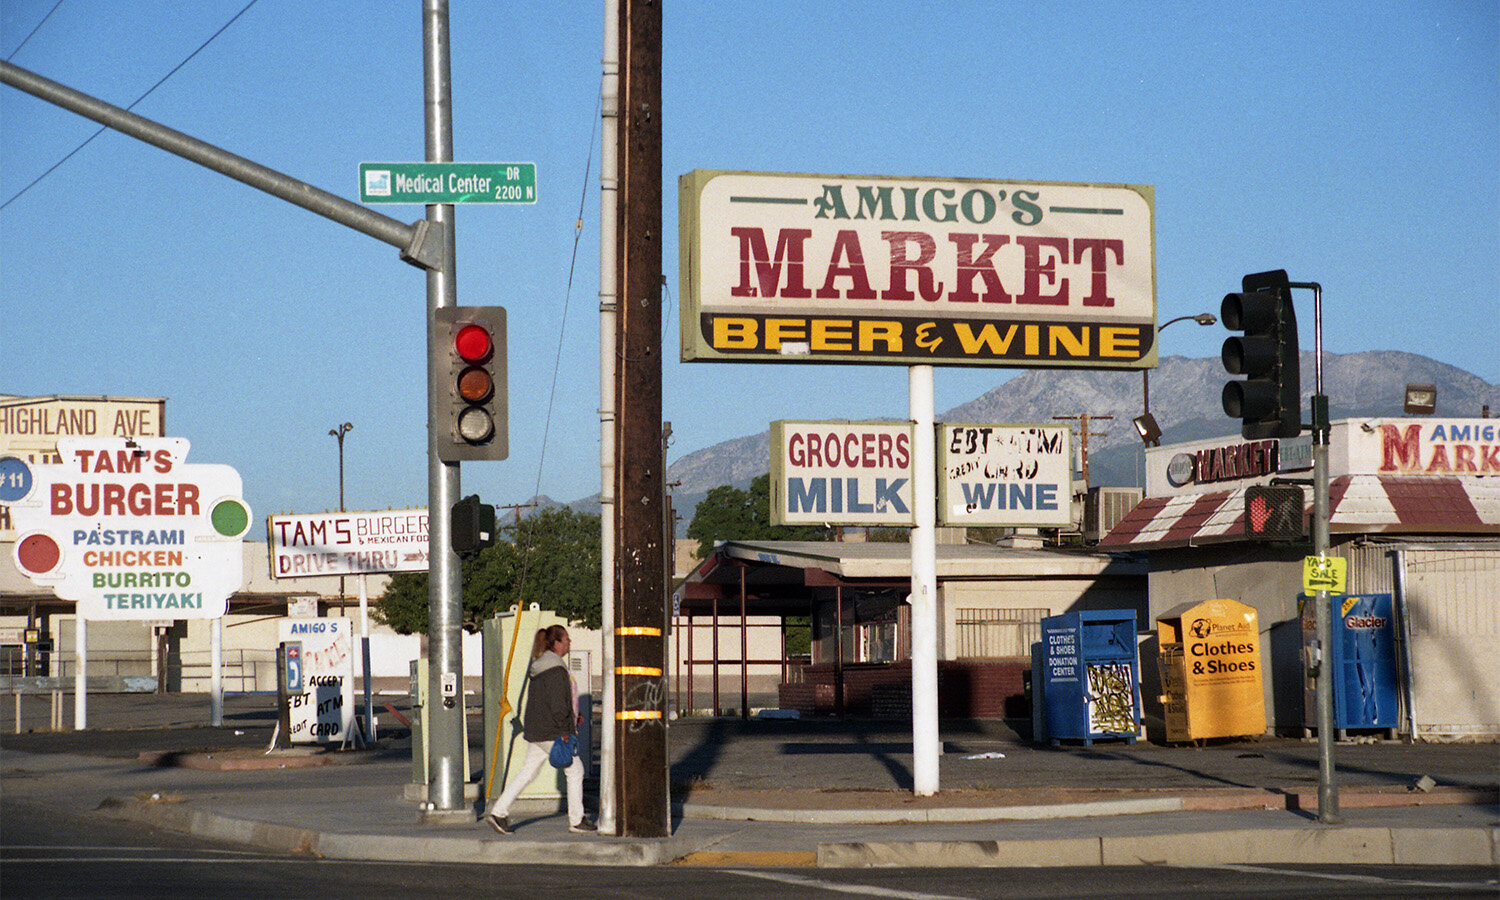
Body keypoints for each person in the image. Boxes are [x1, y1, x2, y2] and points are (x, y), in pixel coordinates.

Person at [484, 624, 595, 835]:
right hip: (551, 730)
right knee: (575, 769)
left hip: (537, 728)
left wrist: (572, 718)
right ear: (556, 643)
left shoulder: (541, 666)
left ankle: (499, 812)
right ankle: (577, 820)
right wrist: (565, 730)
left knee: (528, 771)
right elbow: (558, 703)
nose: (570, 642)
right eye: (566, 639)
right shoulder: (555, 669)